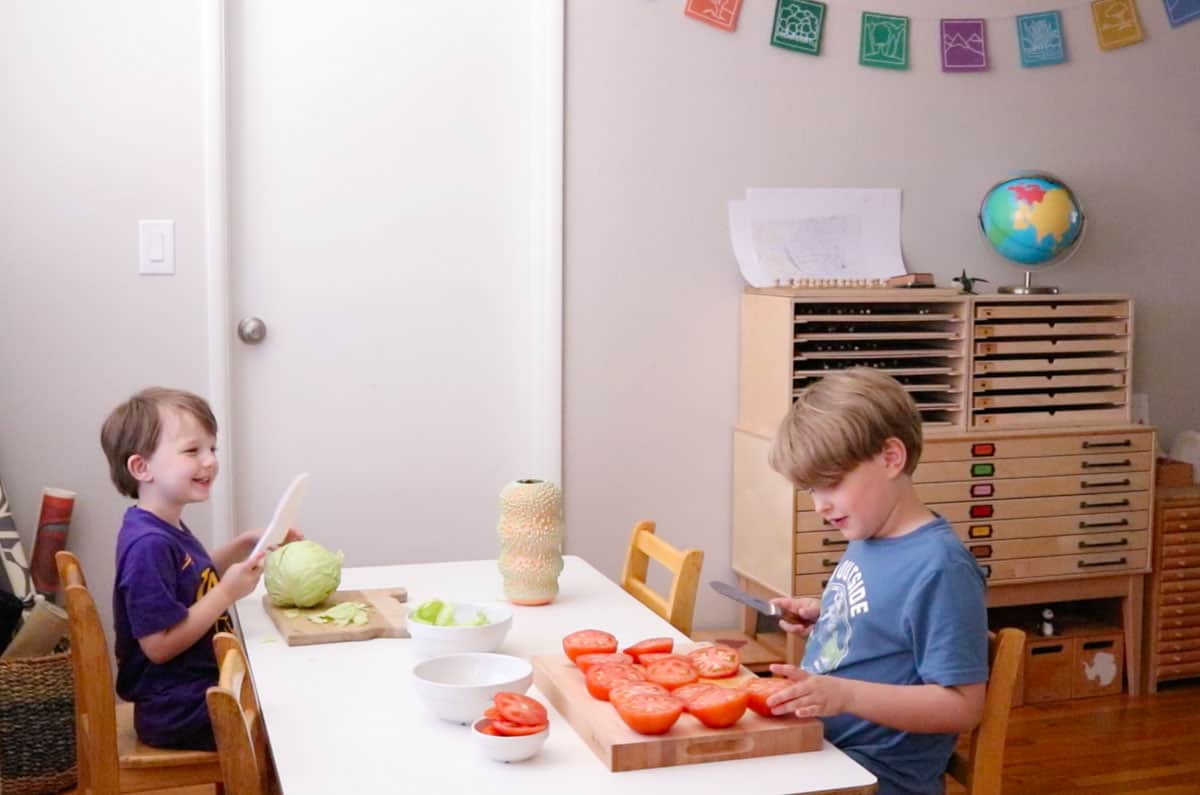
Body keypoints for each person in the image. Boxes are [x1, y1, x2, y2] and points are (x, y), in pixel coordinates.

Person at [763, 368, 988, 795]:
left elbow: (962, 706)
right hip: (824, 747)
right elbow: (889, 623)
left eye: (830, 484)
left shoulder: (941, 568)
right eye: (810, 490)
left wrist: (844, 695)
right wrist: (828, 615)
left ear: (890, 458)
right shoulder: (870, 536)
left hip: (875, 776)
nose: (819, 505)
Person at [100, 387, 297, 750]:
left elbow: (190, 578)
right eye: (192, 451)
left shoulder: (162, 525)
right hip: (176, 708)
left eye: (212, 449)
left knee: (287, 687)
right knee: (288, 718)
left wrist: (242, 546)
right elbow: (158, 646)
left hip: (193, 689)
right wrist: (226, 593)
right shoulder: (148, 545)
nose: (209, 461)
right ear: (142, 467)